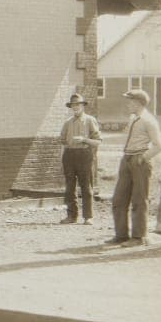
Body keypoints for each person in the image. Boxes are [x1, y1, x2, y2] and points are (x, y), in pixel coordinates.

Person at [106, 88, 161, 247]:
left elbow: (159, 146)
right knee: (119, 198)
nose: (127, 104)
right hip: (127, 159)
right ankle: (121, 235)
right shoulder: (133, 118)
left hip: (140, 161)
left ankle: (139, 237)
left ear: (138, 103)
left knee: (139, 199)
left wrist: (143, 158)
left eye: (130, 101)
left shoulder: (149, 120)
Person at [58, 93, 101, 225]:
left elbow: (98, 141)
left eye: (78, 104)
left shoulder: (90, 120)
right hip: (69, 155)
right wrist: (62, 158)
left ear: (83, 106)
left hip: (84, 155)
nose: (75, 107)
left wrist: (84, 140)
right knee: (69, 187)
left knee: (86, 186)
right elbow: (63, 142)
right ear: (70, 107)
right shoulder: (67, 123)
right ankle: (71, 216)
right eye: (73, 105)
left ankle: (88, 216)